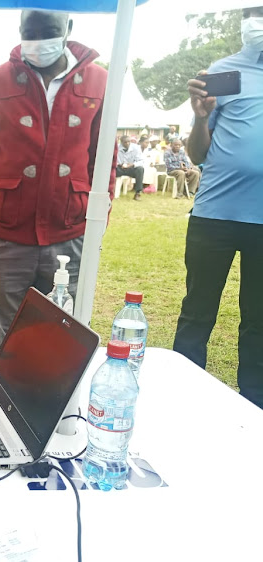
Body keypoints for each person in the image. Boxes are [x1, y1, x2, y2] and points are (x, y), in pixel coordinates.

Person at [0, 9, 115, 345]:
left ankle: (56, 397)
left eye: (49, 31)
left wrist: (97, 225)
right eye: (30, 32)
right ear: (19, 31)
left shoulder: (100, 81)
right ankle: (0, 398)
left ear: (68, 28)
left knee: (63, 333)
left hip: (71, 229)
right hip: (2, 234)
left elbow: (104, 163)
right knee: (2, 332)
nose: (39, 40)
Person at [173, 6, 263, 409]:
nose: (256, 19)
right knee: (197, 312)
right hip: (214, 216)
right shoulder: (225, 72)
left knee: (259, 321)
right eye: (252, 12)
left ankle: (255, 405)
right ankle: (182, 396)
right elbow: (196, 153)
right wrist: (200, 117)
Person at [116, 134, 145, 200]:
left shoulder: (136, 148)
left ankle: (137, 193)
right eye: (125, 142)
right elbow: (112, 160)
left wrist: (132, 164)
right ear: (121, 142)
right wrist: (119, 164)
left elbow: (141, 161)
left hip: (131, 168)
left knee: (140, 169)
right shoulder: (116, 148)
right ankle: (109, 190)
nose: (127, 143)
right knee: (110, 170)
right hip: (120, 168)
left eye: (129, 142)